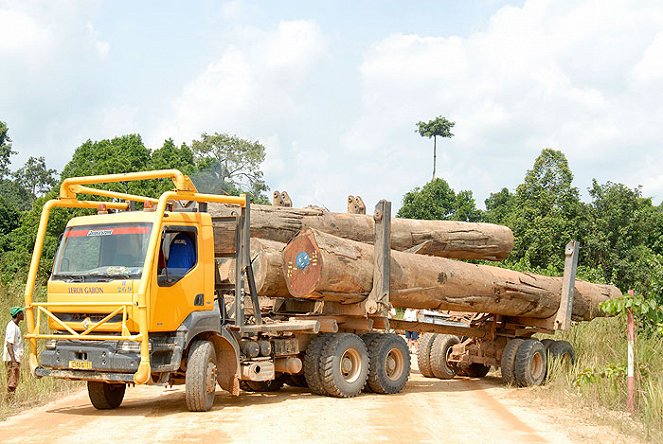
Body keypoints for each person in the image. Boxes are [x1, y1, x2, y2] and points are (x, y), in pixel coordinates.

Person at [4, 307, 24, 399]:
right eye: (21, 313)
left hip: (15, 358)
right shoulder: (12, 327)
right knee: (11, 382)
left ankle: (11, 400)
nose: (23, 315)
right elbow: (9, 344)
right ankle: (9, 402)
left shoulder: (15, 326)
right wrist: (13, 361)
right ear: (18, 315)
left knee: (14, 381)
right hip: (12, 359)